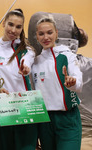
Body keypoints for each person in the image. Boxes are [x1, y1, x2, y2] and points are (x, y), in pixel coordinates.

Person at [0, 9, 38, 150]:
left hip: (25, 110)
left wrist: (25, 67)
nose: (13, 30)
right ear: (3, 23)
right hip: (2, 112)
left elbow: (28, 60)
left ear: (22, 28)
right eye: (10, 24)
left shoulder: (27, 50)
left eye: (18, 27)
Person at [32, 17, 83, 150]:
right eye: (41, 34)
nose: (46, 37)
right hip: (44, 121)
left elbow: (79, 85)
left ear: (56, 33)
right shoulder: (34, 63)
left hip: (68, 119)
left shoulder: (68, 56)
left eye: (49, 32)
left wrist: (73, 82)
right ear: (36, 37)